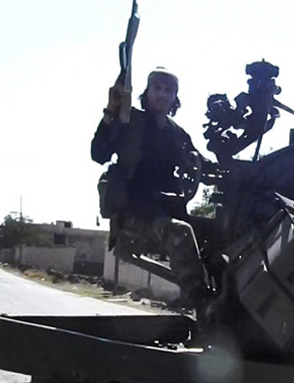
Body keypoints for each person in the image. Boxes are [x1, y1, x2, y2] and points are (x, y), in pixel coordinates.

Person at [91, 67, 212, 308]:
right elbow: (98, 153)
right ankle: (201, 302)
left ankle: (223, 296)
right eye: (157, 88)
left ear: (175, 97)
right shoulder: (130, 122)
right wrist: (110, 112)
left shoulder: (177, 133)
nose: (162, 94)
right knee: (180, 232)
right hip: (134, 210)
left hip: (165, 209)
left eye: (169, 90)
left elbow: (202, 166)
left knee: (217, 231)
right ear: (147, 92)